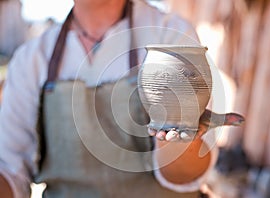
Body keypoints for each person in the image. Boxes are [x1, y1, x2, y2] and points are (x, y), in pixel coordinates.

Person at [0, 0, 244, 197]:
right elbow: (12, 175)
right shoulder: (31, 59)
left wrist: (182, 137)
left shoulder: (169, 35)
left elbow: (185, 175)